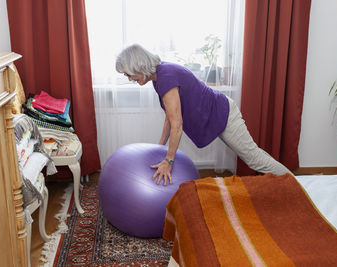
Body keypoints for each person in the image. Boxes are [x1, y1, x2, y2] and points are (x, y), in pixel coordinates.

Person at [115, 44, 291, 186]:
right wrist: (159, 148)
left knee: (254, 159)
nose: (130, 79)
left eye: (130, 74)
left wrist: (168, 161)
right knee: (256, 156)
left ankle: (298, 187)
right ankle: (291, 183)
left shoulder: (165, 77)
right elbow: (170, 117)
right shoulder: (159, 76)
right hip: (216, 113)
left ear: (139, 66)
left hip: (223, 114)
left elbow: (177, 125)